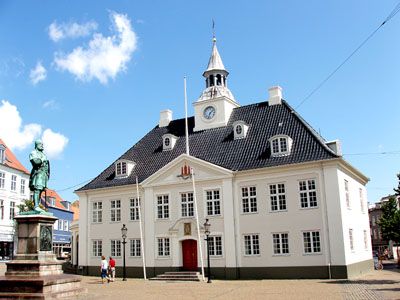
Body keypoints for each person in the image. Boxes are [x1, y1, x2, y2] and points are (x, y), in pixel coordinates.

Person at [29, 140, 50, 211]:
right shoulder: (33, 153)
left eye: (42, 144)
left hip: (43, 174)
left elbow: (47, 165)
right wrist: (42, 159)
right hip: (37, 173)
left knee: (40, 190)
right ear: (36, 145)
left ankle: (37, 205)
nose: (42, 145)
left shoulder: (44, 154)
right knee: (37, 189)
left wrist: (47, 174)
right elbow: (35, 162)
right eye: (40, 144)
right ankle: (36, 206)